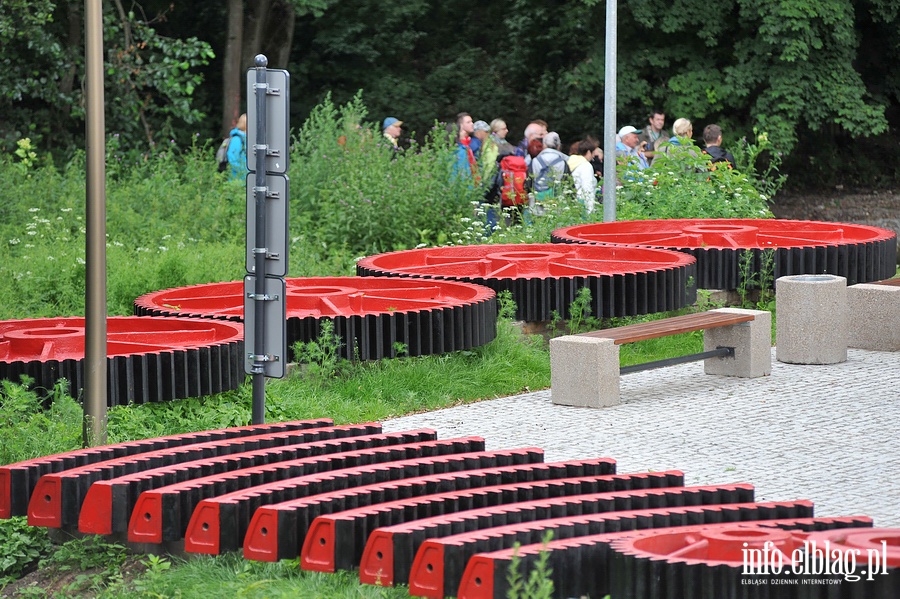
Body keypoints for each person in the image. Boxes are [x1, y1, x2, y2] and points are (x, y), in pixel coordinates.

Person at [529, 131, 569, 209]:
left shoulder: (535, 161)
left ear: (544, 145)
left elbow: (529, 184)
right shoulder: (563, 162)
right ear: (558, 146)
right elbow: (568, 185)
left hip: (537, 204)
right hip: (556, 206)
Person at [567, 136, 600, 214]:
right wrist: (590, 211)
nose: (593, 156)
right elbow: (587, 189)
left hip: (571, 203)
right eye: (593, 153)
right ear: (588, 152)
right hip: (582, 205)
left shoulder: (571, 161)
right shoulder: (586, 166)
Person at [226, 113, 248, 181]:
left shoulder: (248, 138)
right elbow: (233, 160)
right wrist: (245, 172)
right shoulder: (237, 139)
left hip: (246, 179)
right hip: (237, 180)